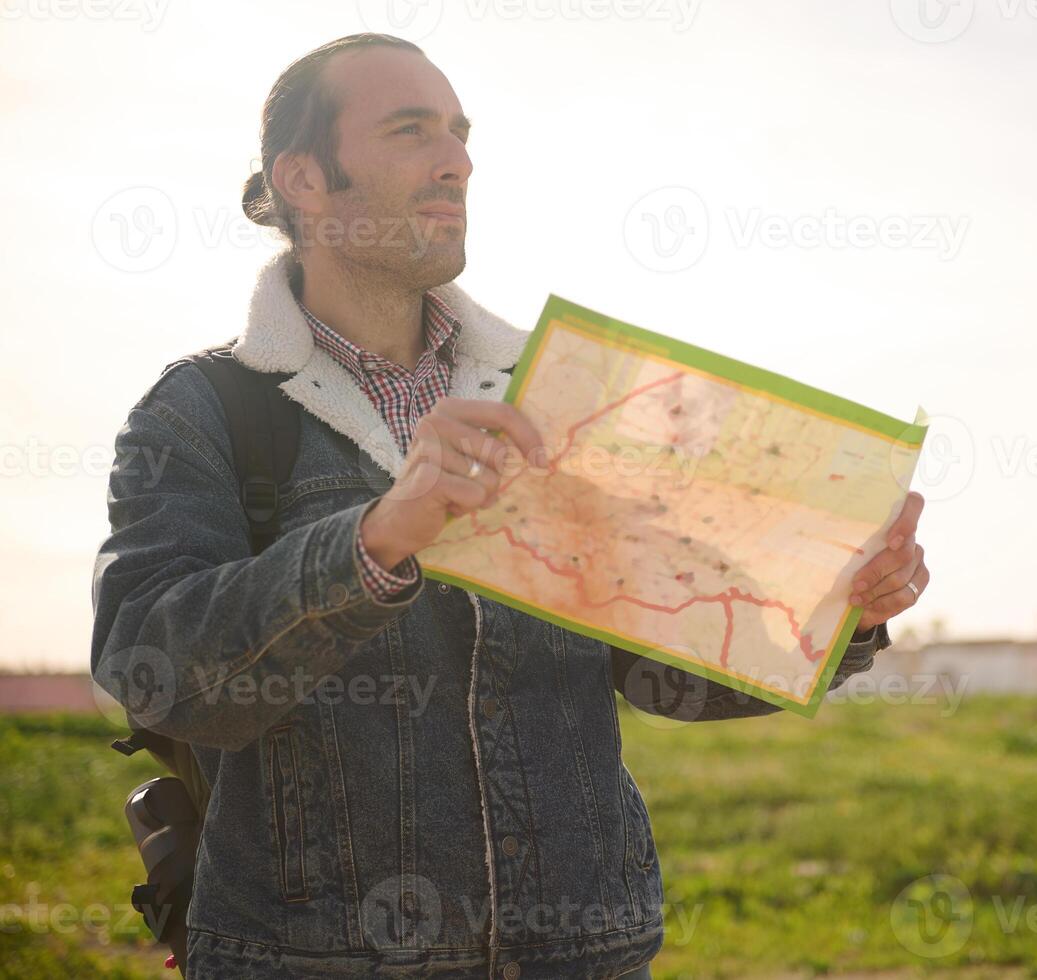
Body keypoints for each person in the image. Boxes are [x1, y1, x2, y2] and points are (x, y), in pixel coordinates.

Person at [90, 33, 930, 979]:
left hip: (583, 956)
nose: (457, 159)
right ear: (305, 181)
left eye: (458, 131)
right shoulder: (205, 412)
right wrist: (372, 542)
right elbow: (153, 673)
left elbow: (662, 676)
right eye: (411, 130)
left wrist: (838, 608)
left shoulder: (560, 396)